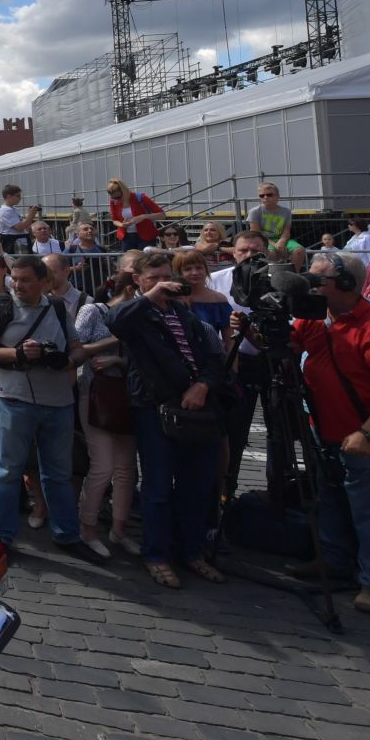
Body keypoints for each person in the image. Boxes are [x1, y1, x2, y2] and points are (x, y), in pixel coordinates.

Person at [290, 252, 370, 616]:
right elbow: (286, 348)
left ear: (345, 285)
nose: (309, 286)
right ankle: (334, 559)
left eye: (317, 281)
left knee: (369, 509)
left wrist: (368, 434)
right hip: (323, 430)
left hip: (364, 437)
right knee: (327, 500)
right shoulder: (314, 320)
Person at [110, 251, 230, 589]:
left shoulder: (186, 315)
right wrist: (150, 296)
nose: (164, 284)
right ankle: (157, 554)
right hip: (156, 408)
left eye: (167, 277)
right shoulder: (136, 314)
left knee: (197, 484)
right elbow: (115, 323)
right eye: (154, 278)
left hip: (197, 408)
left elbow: (212, 357)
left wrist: (203, 385)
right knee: (158, 487)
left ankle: (190, 550)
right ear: (139, 281)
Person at [0, 257, 88, 558]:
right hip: (15, 400)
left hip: (59, 401)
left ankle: (67, 535)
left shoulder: (58, 308)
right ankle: (1, 538)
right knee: (8, 472)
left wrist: (68, 361)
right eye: (15, 279)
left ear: (44, 282)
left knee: (58, 474)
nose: (17, 285)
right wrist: (18, 353)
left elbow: (76, 348)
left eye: (25, 280)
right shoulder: (0, 306)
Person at [73, 276, 140, 559]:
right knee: (102, 466)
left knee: (127, 469)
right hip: (97, 394)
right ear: (130, 288)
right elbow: (75, 350)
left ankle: (119, 530)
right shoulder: (94, 311)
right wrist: (113, 342)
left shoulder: (143, 314)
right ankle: (86, 529)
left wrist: (119, 360)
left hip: (129, 396)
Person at [106, 179, 164, 247]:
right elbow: (114, 220)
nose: (116, 199)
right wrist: (122, 225)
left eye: (118, 197)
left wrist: (143, 217)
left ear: (124, 191)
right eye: (113, 197)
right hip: (126, 238)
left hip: (146, 237)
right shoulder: (113, 201)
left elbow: (162, 215)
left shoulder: (141, 197)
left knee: (144, 257)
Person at [248, 182, 298, 254]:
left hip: (280, 239)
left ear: (278, 196)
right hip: (262, 240)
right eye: (262, 195)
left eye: (269, 195)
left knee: (299, 251)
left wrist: (281, 241)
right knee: (271, 253)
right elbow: (256, 233)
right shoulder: (254, 211)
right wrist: (274, 245)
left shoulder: (286, 211)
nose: (265, 197)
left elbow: (286, 231)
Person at [0, 184, 28, 254]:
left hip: (19, 242)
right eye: (18, 196)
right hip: (15, 243)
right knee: (20, 264)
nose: (20, 198)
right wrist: (31, 214)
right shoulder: (6, 211)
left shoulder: (12, 209)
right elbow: (20, 227)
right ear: (9, 196)